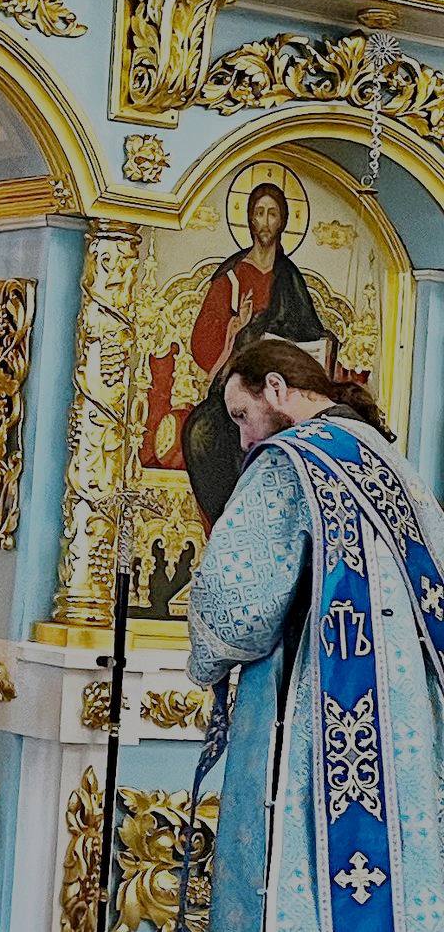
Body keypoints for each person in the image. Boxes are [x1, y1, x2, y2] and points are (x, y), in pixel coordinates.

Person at [182, 338, 444, 932]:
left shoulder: (289, 461)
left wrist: (205, 659)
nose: (244, 440)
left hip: (317, 712)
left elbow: (235, 602)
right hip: (405, 720)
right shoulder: (385, 458)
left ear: (276, 389)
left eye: (242, 416)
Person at [175, 181, 335, 527]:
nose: (265, 222)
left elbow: (307, 332)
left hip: (281, 397)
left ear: (283, 221)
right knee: (202, 431)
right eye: (259, 213)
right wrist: (238, 328)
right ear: (249, 219)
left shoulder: (289, 277)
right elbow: (204, 341)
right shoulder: (232, 274)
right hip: (235, 388)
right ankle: (225, 523)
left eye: (272, 214)